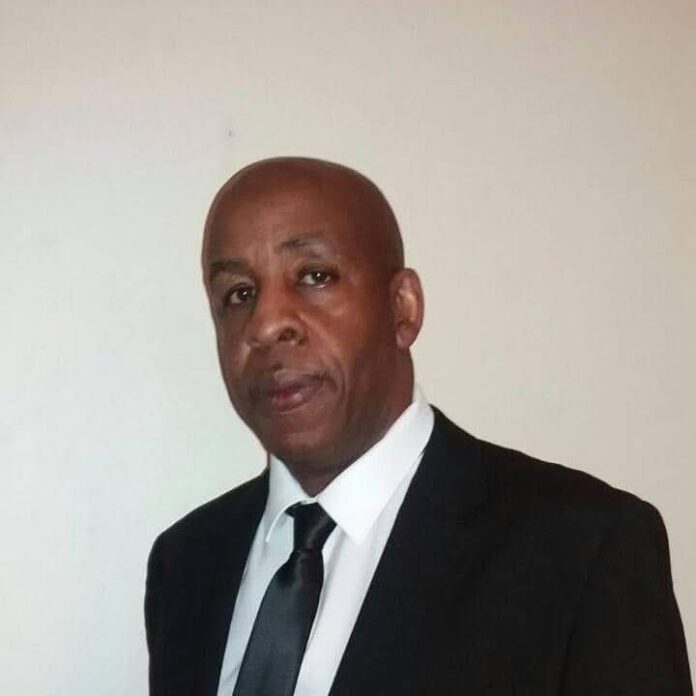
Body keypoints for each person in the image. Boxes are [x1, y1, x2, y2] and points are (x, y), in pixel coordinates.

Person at [145, 157, 692, 696]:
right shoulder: (187, 565)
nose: (267, 324)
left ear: (402, 308)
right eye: (239, 294)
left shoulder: (581, 549)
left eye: (315, 276)